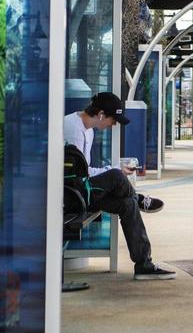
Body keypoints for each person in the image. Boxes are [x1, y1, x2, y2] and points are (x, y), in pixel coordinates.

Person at [63, 92, 176, 281]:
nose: (113, 125)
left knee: (127, 204)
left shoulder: (88, 130)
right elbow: (76, 175)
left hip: (83, 190)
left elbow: (85, 169)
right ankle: (138, 197)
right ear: (100, 115)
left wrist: (113, 169)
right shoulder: (72, 129)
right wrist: (114, 171)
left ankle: (144, 264)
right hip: (70, 195)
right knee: (116, 177)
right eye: (112, 120)